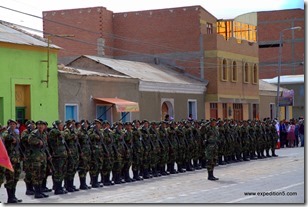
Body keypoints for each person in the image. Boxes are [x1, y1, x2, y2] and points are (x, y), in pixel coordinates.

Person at [2, 119, 23, 203]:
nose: (13, 126)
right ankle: (10, 197)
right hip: (9, 160)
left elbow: (18, 146)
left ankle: (13, 196)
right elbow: (5, 136)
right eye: (11, 124)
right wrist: (11, 138)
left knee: (15, 178)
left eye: (14, 124)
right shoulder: (7, 133)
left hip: (17, 159)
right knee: (10, 178)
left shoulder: (16, 133)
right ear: (8, 125)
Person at [28, 120, 50, 199]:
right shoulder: (34, 133)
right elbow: (29, 140)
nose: (41, 126)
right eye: (39, 125)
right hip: (36, 157)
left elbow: (45, 146)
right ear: (37, 126)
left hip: (42, 157)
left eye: (42, 125)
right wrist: (38, 141)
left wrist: (48, 155)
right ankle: (37, 192)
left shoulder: (44, 134)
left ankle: (40, 191)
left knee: (42, 175)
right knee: (36, 175)